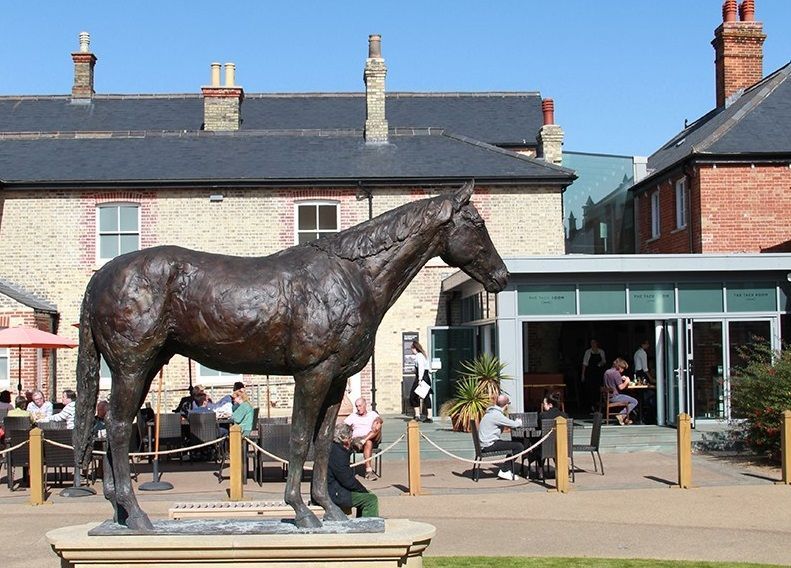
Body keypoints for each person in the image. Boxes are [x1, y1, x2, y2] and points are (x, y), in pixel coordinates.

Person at [327, 424, 380, 518]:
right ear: (345, 439)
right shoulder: (338, 454)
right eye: (350, 437)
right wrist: (363, 490)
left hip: (333, 488)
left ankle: (361, 522)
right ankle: (368, 526)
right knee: (371, 499)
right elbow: (347, 480)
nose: (351, 439)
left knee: (365, 495)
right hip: (334, 492)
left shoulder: (334, 447)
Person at [478, 394, 524, 481]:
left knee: (514, 444)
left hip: (485, 443)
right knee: (519, 446)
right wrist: (519, 421)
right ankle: (505, 470)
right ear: (506, 405)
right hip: (489, 445)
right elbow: (514, 424)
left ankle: (507, 469)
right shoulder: (497, 415)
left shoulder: (490, 412)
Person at [343, 397, 383, 480]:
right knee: (368, 442)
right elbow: (343, 426)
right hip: (358, 440)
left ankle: (364, 440)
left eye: (360, 406)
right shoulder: (353, 416)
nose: (358, 408)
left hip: (373, 437)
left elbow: (379, 419)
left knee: (377, 426)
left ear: (365, 405)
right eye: (357, 406)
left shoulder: (372, 414)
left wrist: (377, 421)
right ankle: (368, 471)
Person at [604, 358, 638, 425]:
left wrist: (621, 378)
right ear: (619, 367)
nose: (622, 370)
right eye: (622, 368)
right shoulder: (616, 373)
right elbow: (621, 387)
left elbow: (612, 382)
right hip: (614, 397)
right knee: (634, 401)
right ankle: (621, 415)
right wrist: (626, 381)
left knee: (627, 398)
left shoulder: (607, 372)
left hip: (608, 397)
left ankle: (624, 418)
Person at [408, 340, 433, 423]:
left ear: (415, 348)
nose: (411, 350)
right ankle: (428, 416)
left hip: (421, 378)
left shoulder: (419, 356)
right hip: (425, 377)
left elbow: (421, 368)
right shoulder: (423, 355)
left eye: (411, 348)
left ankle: (418, 415)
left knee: (413, 396)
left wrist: (419, 379)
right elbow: (427, 368)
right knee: (426, 397)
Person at [581, 339, 606, 412]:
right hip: (590, 373)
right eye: (591, 343)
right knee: (590, 389)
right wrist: (583, 375)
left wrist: (601, 363)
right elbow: (584, 364)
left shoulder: (601, 351)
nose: (593, 344)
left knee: (598, 389)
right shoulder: (588, 352)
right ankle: (591, 406)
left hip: (598, 373)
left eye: (594, 343)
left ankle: (599, 406)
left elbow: (604, 361)